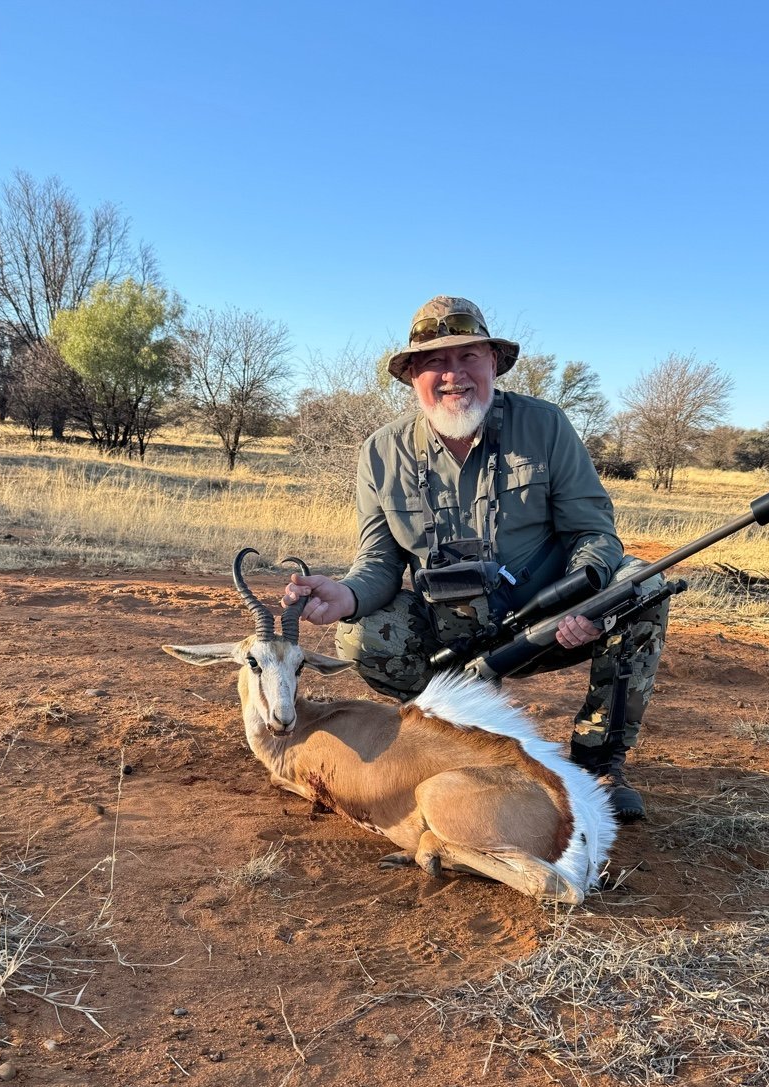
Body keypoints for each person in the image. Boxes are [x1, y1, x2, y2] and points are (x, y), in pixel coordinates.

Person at [282, 296, 668, 821]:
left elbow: (595, 534)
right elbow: (379, 560)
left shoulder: (546, 425)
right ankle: (444, 742)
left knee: (640, 589)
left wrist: (590, 599)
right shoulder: (380, 450)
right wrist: (346, 594)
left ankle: (600, 762)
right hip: (448, 636)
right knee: (361, 633)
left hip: (550, 621)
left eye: (468, 357)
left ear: (493, 363)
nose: (453, 375)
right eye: (436, 361)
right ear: (413, 373)